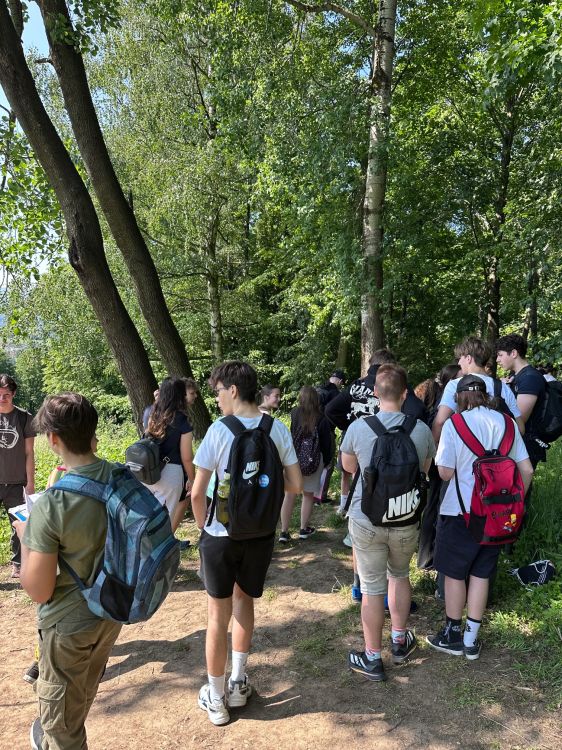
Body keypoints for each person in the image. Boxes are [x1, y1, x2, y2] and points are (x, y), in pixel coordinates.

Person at [191, 361, 302, 726]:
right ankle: (238, 683)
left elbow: (196, 493)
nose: (217, 398)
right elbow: (295, 485)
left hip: (221, 536)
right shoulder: (277, 428)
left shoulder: (219, 431)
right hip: (261, 535)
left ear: (233, 390)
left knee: (216, 615)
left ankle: (216, 698)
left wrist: (203, 527)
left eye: (218, 391)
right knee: (244, 601)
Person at [14, 393, 122, 749]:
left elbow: (39, 590)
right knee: (81, 693)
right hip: (112, 609)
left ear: (53, 439)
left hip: (69, 624)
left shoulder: (54, 503)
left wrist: (27, 538)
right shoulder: (119, 475)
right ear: (92, 431)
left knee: (62, 732)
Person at [427, 375, 533, 660]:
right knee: (481, 573)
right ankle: (471, 640)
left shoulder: (454, 424)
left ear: (459, 398)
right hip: (497, 515)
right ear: (485, 396)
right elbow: (527, 470)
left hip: (459, 511)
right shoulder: (508, 423)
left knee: (454, 574)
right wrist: (515, 502)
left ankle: (452, 634)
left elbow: (445, 473)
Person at [341, 364, 435, 681]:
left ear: (375, 393)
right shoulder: (420, 429)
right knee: (400, 575)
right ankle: (399, 640)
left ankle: (371, 657)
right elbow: (424, 469)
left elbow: (348, 466)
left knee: (371, 589)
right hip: (405, 518)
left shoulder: (359, 428)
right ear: (405, 394)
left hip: (366, 519)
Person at [432, 337, 523, 445]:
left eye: (460, 358)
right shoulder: (503, 387)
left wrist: (433, 448)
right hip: (499, 451)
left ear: (468, 358)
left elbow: (440, 421)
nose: (459, 362)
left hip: (466, 449)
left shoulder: (455, 385)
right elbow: (520, 428)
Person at [416, 364, 461, 572]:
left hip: (438, 457)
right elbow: (440, 425)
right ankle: (428, 558)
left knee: (432, 505)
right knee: (436, 506)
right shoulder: (447, 404)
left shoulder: (438, 400)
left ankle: (426, 556)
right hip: (441, 459)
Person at [279, 386, 333, 542]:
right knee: (308, 495)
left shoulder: (295, 413)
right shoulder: (321, 417)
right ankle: (303, 529)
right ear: (316, 399)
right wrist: (327, 461)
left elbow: (292, 433)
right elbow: (326, 443)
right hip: (314, 461)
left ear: (301, 398)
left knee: (289, 495)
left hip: (294, 459)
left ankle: (284, 532)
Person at [143, 377, 195, 532]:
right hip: (171, 474)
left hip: (147, 470)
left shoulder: (150, 413)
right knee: (165, 523)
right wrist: (192, 479)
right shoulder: (182, 419)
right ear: (181, 394)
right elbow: (187, 457)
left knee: (147, 517)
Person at [0, 373, 35, 578]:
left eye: (6, 394)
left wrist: (30, 483)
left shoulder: (24, 417)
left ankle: (18, 564)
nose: (1, 398)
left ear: (13, 394)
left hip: (17, 482)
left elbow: (29, 452)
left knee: (19, 525)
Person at [496, 334, 547, 469]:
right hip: (517, 443)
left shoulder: (530, 378)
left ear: (513, 353)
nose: (497, 360)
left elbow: (519, 418)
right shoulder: (516, 376)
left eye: (500, 355)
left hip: (526, 445)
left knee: (518, 483)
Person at [314, 370, 346, 503]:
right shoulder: (336, 394)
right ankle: (319, 496)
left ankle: (310, 492)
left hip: (311, 430)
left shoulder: (317, 389)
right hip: (327, 431)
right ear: (340, 381)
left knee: (314, 459)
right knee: (328, 463)